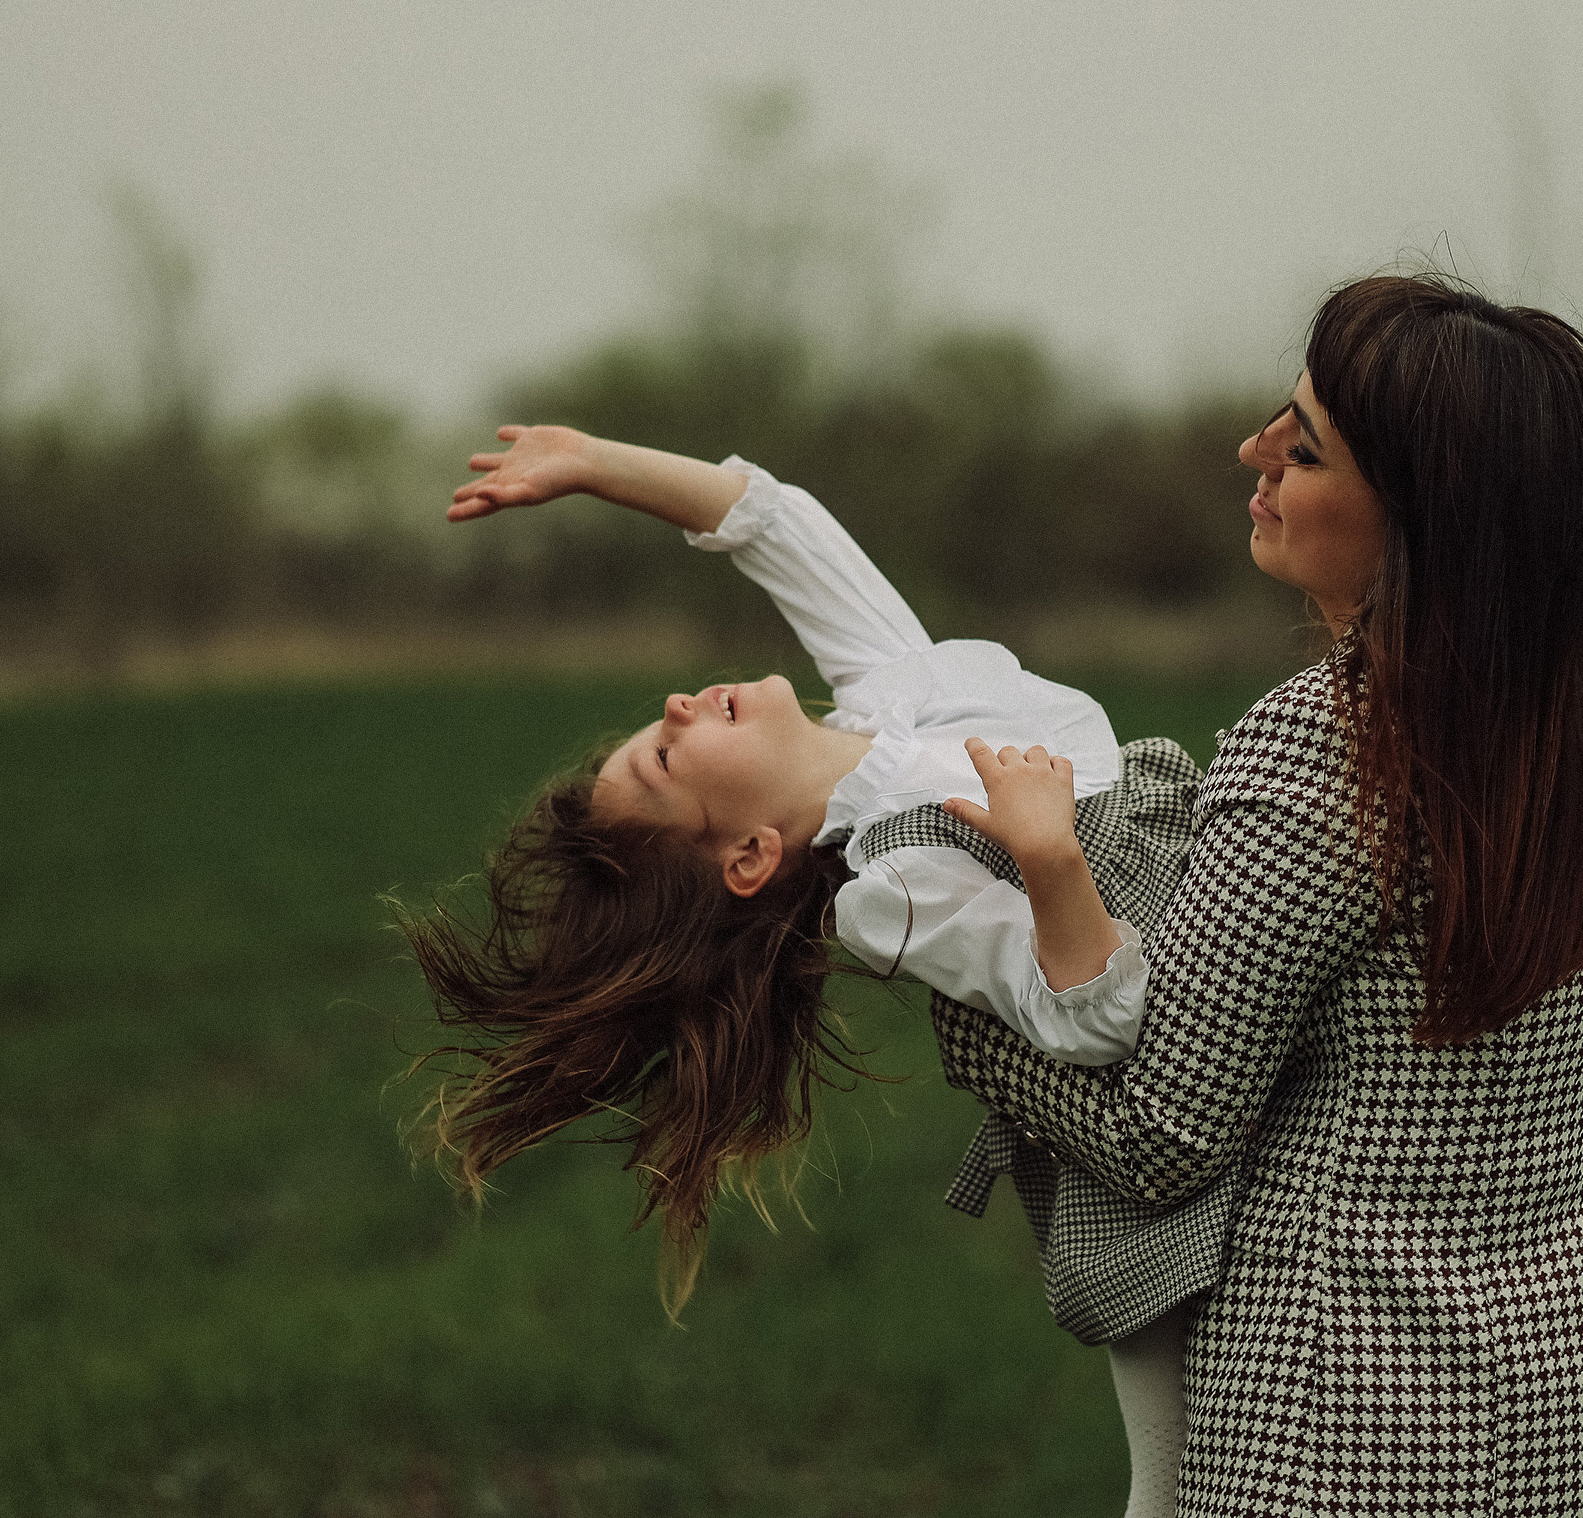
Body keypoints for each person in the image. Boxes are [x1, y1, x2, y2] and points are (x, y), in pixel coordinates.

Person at [933, 273, 1583, 1514]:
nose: (1255, 452)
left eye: (1308, 445)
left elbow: (1158, 1135)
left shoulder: (1328, 749)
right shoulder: (1573, 731)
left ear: (1418, 518)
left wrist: (959, 970)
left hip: (1347, 1426)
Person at [400, 429, 1224, 1517]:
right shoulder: (894, 877)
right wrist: (1053, 859)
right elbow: (1093, 1017)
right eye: (665, 754)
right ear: (746, 857)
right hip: (1148, 1180)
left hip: (1229, 1055)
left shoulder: (893, 697)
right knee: (1181, 1493)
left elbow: (775, 521)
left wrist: (594, 465)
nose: (682, 704)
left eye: (659, 720)